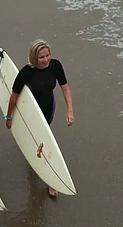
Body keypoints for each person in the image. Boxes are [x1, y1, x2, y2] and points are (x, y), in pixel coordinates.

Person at [4, 39, 74, 197]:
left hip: (48, 108)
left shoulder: (55, 66)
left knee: (44, 141)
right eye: (41, 57)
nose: (46, 60)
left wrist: (70, 111)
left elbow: (65, 88)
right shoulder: (26, 72)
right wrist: (9, 117)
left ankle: (48, 177)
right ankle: (49, 177)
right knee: (40, 141)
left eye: (47, 55)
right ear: (34, 58)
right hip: (31, 112)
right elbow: (14, 95)